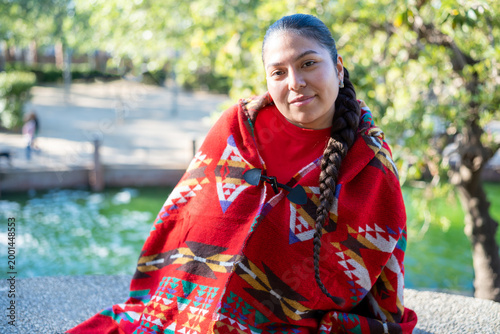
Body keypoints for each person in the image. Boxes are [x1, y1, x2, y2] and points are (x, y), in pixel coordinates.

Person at [68, 14, 417, 334]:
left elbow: (379, 259)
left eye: (308, 64)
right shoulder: (236, 130)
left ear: (338, 69)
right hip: (190, 311)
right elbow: (186, 220)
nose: (295, 83)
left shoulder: (369, 164)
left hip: (288, 323)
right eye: (278, 72)